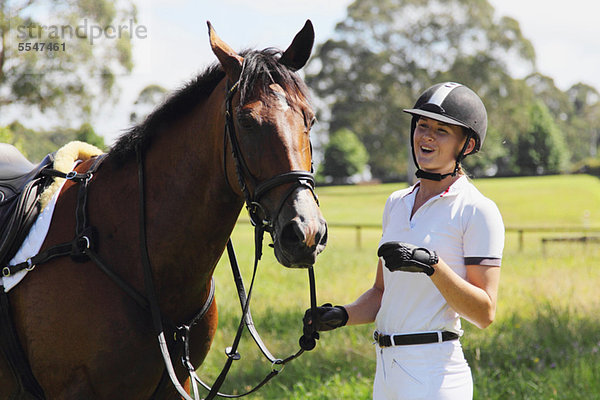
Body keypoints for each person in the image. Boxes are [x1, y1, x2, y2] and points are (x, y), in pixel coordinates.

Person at [304, 82, 504, 399]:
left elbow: (484, 313)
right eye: (422, 125)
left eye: (441, 131)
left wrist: (432, 266)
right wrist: (342, 315)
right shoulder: (396, 203)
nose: (426, 136)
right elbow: (382, 293)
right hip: (386, 370)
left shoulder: (477, 210)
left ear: (465, 144)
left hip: (435, 374)